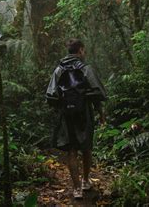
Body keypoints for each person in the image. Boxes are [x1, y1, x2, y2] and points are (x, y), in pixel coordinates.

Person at [46, 38, 106, 199]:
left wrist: (62, 106)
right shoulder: (85, 68)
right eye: (83, 50)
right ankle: (86, 181)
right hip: (84, 113)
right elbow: (98, 92)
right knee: (86, 147)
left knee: (71, 150)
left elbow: (50, 95)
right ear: (80, 50)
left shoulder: (59, 69)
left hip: (67, 115)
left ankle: (77, 188)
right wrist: (99, 111)